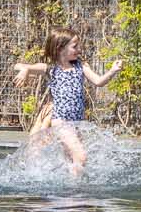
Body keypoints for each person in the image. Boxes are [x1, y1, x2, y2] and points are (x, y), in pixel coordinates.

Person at [12, 30, 123, 176]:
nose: (79, 50)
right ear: (60, 48)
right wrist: (25, 70)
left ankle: (67, 190)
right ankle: (74, 189)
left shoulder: (81, 67)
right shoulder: (51, 69)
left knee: (71, 160)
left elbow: (99, 81)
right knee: (81, 157)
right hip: (61, 122)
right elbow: (18, 65)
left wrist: (112, 71)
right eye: (75, 46)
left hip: (78, 122)